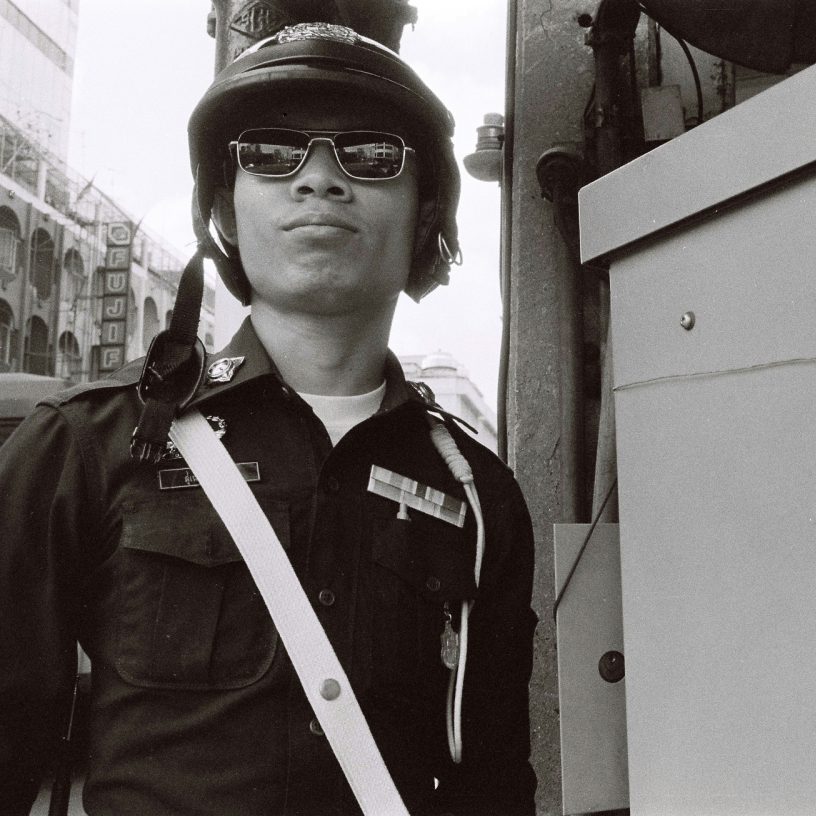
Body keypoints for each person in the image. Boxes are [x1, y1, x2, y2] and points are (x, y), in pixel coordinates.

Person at [0, 22, 536, 816]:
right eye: (271, 153)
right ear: (223, 206)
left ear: (426, 215)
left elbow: (495, 783)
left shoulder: (478, 496)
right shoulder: (87, 444)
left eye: (371, 154)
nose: (319, 179)